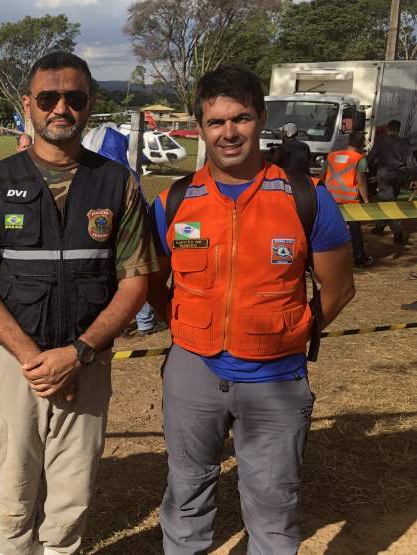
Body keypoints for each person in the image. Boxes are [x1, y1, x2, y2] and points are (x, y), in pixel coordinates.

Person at [0, 51, 156, 554]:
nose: (60, 107)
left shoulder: (118, 183)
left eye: (74, 98)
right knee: (13, 495)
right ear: (29, 105)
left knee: (71, 497)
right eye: (48, 97)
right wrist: (31, 357)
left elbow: (135, 283)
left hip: (86, 363)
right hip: (18, 365)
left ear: (90, 106)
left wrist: (79, 353)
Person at [147, 65, 356, 554]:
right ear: (200, 127)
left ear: (260, 119)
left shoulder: (306, 198)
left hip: (275, 378)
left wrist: (296, 329)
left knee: (273, 506)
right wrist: (185, 324)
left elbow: (340, 287)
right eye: (216, 121)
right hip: (192, 369)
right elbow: (153, 282)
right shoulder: (174, 201)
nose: (228, 132)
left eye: (240, 118)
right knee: (186, 495)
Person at [321, 131, 373, 266]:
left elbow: (322, 175)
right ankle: (359, 258)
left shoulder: (332, 156)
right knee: (355, 230)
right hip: (349, 200)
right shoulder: (360, 158)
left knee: (329, 229)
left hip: (330, 198)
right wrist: (366, 200)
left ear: (349, 141)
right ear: (362, 143)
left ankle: (326, 258)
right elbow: (361, 181)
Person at [367, 119, 411, 244]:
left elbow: (371, 158)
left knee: (389, 203)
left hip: (385, 176)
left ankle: (397, 232)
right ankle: (379, 226)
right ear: (399, 129)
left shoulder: (381, 141)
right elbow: (410, 161)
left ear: (388, 128)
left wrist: (371, 171)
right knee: (387, 201)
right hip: (399, 176)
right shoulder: (404, 142)